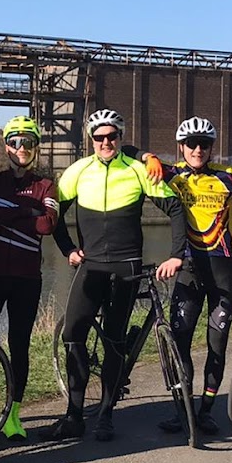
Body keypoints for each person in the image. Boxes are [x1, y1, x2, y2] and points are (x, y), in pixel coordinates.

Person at [49, 108, 186, 443]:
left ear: (120, 138)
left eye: (111, 137)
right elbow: (53, 211)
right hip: (91, 265)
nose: (105, 142)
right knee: (73, 334)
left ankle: (107, 416)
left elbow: (175, 208)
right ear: (91, 140)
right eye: (99, 137)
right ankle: (74, 415)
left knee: (114, 341)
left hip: (126, 267)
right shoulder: (78, 172)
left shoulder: (138, 170)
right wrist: (68, 248)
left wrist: (176, 254)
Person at [140, 116, 232, 436]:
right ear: (181, 147)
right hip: (188, 269)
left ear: (211, 148)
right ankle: (183, 410)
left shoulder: (229, 177)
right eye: (191, 144)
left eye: (205, 144)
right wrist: (148, 157)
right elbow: (127, 152)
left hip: (223, 269)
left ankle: (207, 411)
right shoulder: (173, 176)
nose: (198, 149)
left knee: (217, 343)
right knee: (180, 339)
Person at [0, 115, 59, 442]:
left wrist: (12, 214)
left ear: (35, 147)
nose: (22, 148)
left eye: (28, 142)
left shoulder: (46, 185)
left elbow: (47, 225)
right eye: (16, 142)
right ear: (6, 146)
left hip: (25, 280)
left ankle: (13, 416)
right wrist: (26, 212)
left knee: (19, 346)